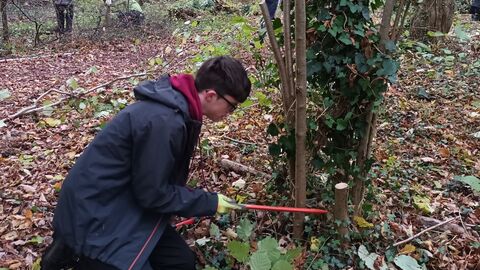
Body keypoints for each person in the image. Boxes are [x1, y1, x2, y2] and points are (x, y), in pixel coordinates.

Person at [40, 55, 251, 270]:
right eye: (231, 106)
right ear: (211, 95)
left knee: (180, 262)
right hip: (96, 214)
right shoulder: (165, 122)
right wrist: (208, 202)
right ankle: (75, 252)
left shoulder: (179, 111)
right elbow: (153, 194)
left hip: (124, 203)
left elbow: (153, 185)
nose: (230, 113)